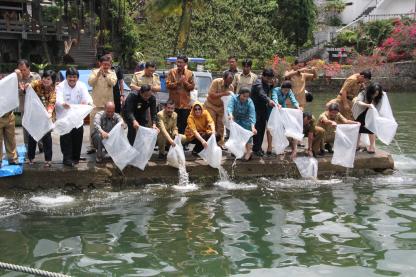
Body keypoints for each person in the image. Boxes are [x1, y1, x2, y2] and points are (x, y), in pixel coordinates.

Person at [56, 67, 93, 167]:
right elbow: (58, 99)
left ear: (77, 77)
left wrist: (88, 102)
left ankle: (76, 157)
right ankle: (66, 158)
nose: (72, 79)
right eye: (70, 77)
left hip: (77, 117)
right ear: (66, 77)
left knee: (78, 136)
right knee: (66, 138)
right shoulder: (60, 86)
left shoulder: (82, 85)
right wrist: (63, 103)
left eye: (74, 77)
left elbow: (87, 97)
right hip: (64, 117)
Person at [26, 70, 57, 167]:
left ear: (52, 81)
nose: (45, 80)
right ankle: (31, 158)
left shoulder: (53, 90)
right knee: (32, 137)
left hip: (46, 117)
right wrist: (27, 86)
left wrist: (49, 113)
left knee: (47, 139)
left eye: (48, 79)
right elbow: (30, 85)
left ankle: (48, 160)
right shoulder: (37, 83)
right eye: (44, 78)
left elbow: (52, 103)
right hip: (35, 116)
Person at [88, 54, 117, 153]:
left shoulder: (112, 73)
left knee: (108, 126)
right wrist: (98, 74)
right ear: (100, 64)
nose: (105, 66)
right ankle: (92, 146)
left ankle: (108, 146)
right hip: (96, 104)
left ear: (110, 65)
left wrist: (105, 75)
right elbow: (90, 83)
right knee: (93, 126)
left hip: (108, 106)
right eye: (104, 64)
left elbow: (113, 83)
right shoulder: (94, 72)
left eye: (107, 65)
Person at [166, 55, 195, 134]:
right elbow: (167, 85)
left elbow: (192, 87)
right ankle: (170, 143)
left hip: (185, 105)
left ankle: (181, 143)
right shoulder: (172, 72)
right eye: (177, 62)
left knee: (183, 126)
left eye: (181, 62)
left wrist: (185, 82)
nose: (178, 64)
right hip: (173, 105)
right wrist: (178, 82)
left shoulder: (190, 73)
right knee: (171, 125)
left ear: (185, 63)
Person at [204, 71, 234, 147]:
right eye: (227, 82)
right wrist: (224, 93)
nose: (229, 84)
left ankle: (220, 143)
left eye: (230, 82)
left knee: (220, 126)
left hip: (222, 108)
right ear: (224, 78)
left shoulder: (231, 87)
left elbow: (231, 100)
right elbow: (211, 95)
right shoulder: (216, 82)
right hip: (211, 106)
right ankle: (210, 143)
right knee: (211, 124)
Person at [15, 59, 41, 147]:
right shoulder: (16, 79)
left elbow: (40, 88)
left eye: (24, 69)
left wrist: (29, 88)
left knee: (37, 126)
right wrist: (22, 91)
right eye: (20, 70)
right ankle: (27, 146)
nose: (23, 72)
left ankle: (41, 144)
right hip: (24, 108)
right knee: (26, 127)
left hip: (35, 107)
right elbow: (13, 92)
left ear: (29, 68)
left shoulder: (36, 76)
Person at [352, 82, 384, 154]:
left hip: (371, 113)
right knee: (358, 128)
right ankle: (356, 145)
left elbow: (379, 106)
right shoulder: (363, 93)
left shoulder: (381, 96)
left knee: (371, 129)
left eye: (377, 94)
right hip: (360, 112)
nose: (375, 95)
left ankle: (372, 147)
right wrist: (368, 105)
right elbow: (358, 102)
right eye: (374, 93)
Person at [251, 68, 276, 157]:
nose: (269, 80)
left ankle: (258, 147)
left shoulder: (265, 83)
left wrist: (272, 86)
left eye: (270, 79)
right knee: (257, 129)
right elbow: (262, 93)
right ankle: (256, 148)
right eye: (268, 79)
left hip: (262, 109)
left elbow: (266, 91)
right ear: (263, 76)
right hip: (255, 109)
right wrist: (269, 100)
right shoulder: (258, 83)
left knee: (262, 129)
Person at [227, 87, 257, 161]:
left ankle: (249, 151)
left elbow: (252, 115)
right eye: (244, 96)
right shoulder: (233, 98)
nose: (245, 98)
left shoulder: (250, 102)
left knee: (248, 134)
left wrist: (253, 127)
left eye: (247, 96)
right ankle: (236, 150)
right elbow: (230, 107)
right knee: (236, 135)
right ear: (240, 94)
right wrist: (230, 115)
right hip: (236, 120)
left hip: (246, 120)